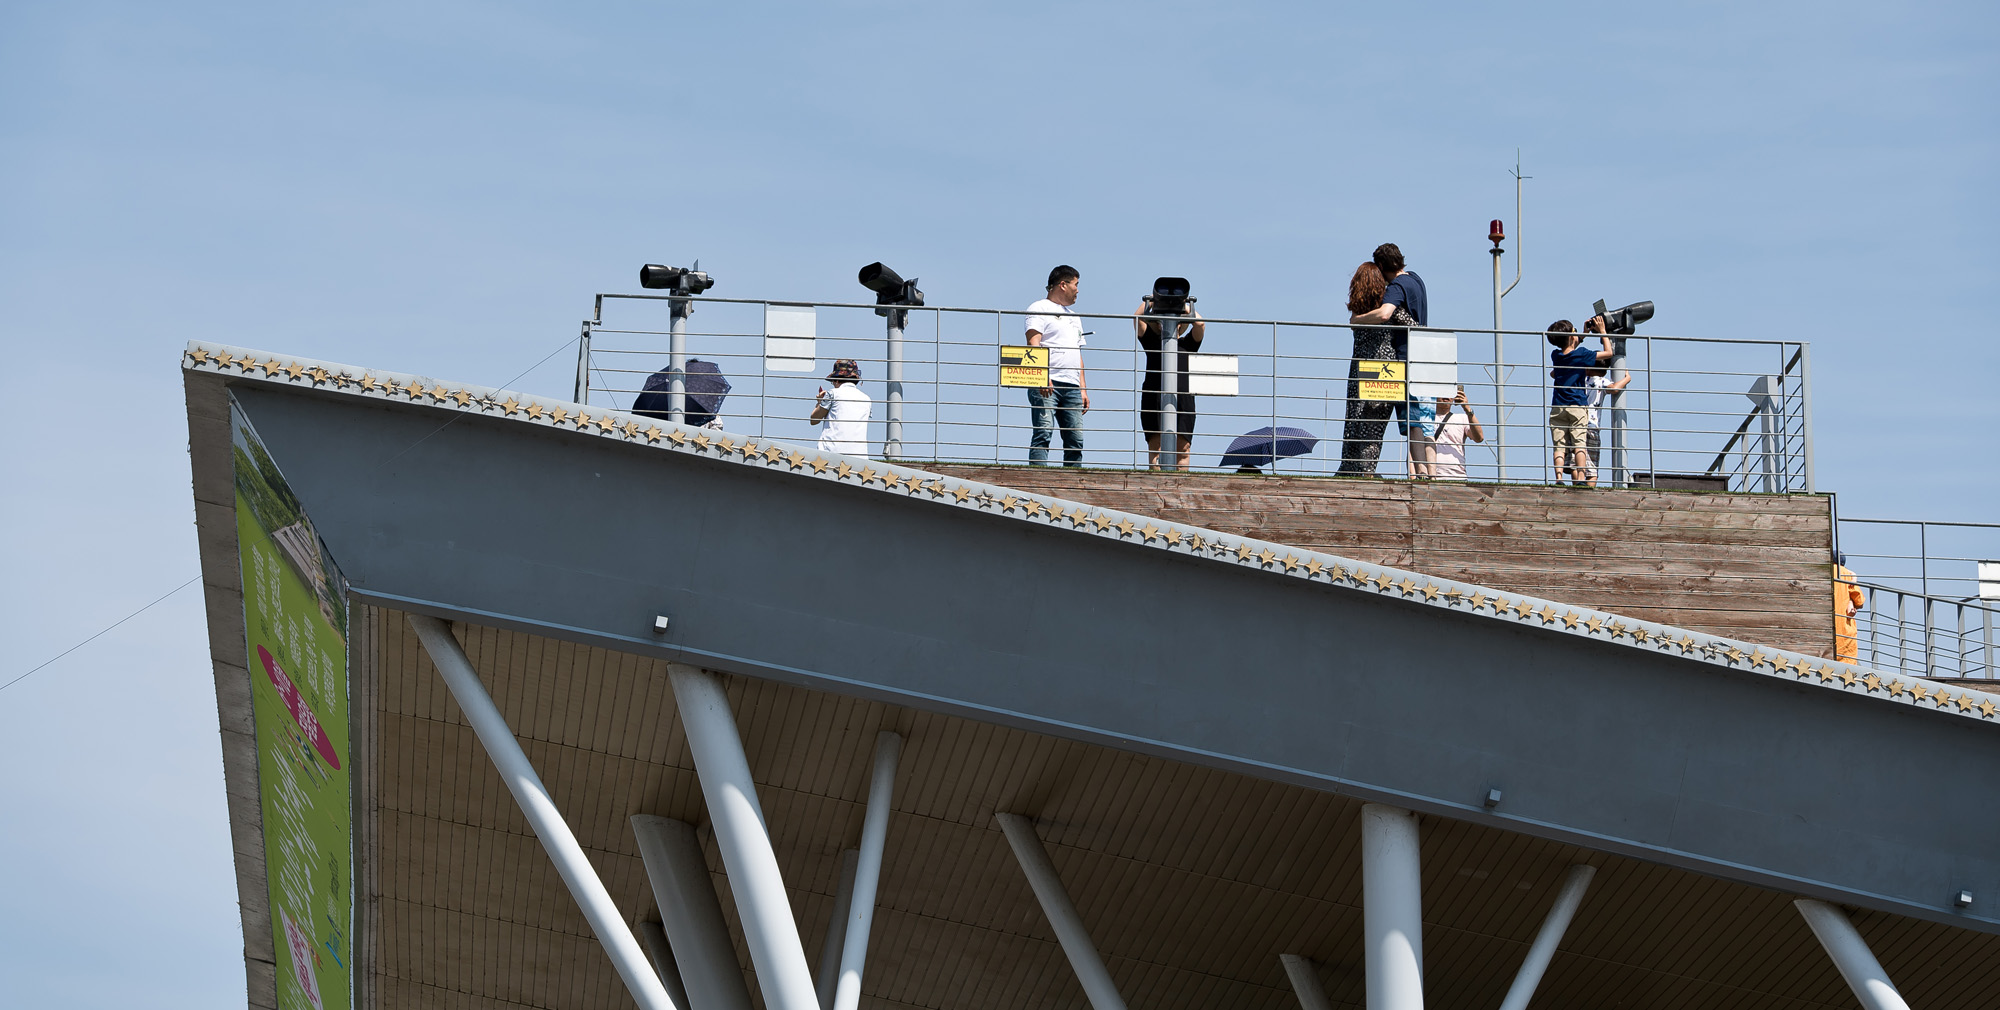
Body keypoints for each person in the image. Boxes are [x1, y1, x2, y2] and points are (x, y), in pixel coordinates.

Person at [1337, 262, 1420, 475]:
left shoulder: (1358, 308)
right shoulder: (1388, 306)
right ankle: (1367, 469)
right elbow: (1414, 326)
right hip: (1384, 368)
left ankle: (1350, 467)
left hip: (1359, 368)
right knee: (1374, 424)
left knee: (1355, 420)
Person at [1024, 265, 1090, 466]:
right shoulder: (1039, 308)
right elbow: (1033, 344)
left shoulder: (1074, 316)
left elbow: (1077, 354)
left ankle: (1072, 484)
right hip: (1048, 384)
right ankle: (1037, 482)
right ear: (1063, 285)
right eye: (1075, 284)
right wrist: (1042, 376)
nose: (1078, 290)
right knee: (1043, 433)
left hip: (1072, 386)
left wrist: (1083, 389)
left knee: (1075, 440)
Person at [1133, 298, 1205, 470]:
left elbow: (1200, 324)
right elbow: (1137, 318)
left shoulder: (1188, 344)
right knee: (1155, 448)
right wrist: (1156, 300)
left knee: (1184, 449)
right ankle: (1156, 485)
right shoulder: (1151, 342)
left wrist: (1181, 304)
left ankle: (1181, 487)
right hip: (1154, 397)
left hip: (1183, 400)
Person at [1546, 318, 1616, 485]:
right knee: (1579, 444)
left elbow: (1569, 351)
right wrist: (1602, 331)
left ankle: (1559, 478)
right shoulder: (1582, 354)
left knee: (1559, 445)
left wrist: (1583, 334)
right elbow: (1608, 353)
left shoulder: (1555, 355)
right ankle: (1582, 478)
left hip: (1558, 407)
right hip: (1577, 406)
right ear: (1571, 336)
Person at [809, 358, 871, 456]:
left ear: (837, 379)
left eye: (832, 382)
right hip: (859, 456)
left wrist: (820, 402)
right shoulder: (866, 399)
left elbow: (814, 420)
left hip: (831, 454)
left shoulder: (833, 393)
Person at [1429, 386, 1485, 481]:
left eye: (1450, 392)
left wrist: (1467, 409)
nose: (1446, 395)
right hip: (1431, 476)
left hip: (1458, 476)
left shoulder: (1462, 418)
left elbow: (1479, 438)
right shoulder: (1426, 418)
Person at [1833, 554, 1867, 662]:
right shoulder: (1846, 574)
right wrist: (1854, 579)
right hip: (1842, 625)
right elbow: (1860, 601)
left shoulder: (1823, 571)